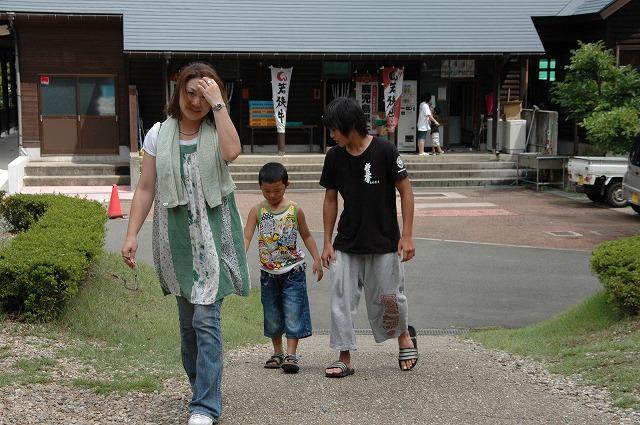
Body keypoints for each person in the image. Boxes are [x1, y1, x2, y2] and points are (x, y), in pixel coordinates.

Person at [121, 62, 250, 425]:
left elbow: (232, 152)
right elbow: (146, 188)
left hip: (213, 235)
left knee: (206, 320)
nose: (196, 102)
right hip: (175, 238)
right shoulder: (158, 134)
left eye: (204, 95)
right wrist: (131, 234)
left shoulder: (217, 127)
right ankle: (202, 390)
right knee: (188, 327)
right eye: (190, 93)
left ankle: (205, 406)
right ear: (178, 93)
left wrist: (218, 104)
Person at [319, 97, 418, 378]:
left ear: (350, 125)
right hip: (347, 241)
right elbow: (330, 199)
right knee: (341, 299)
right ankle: (344, 355)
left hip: (384, 240)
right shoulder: (334, 156)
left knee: (389, 298)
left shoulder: (385, 150)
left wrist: (407, 235)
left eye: (334, 129)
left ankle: (403, 337)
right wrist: (327, 242)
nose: (332, 134)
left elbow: (406, 191)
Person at [243, 162, 323, 374]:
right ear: (260, 187)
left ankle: (291, 355)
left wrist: (317, 259)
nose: (272, 195)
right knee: (272, 314)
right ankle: (277, 352)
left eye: (277, 190)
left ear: (287, 185)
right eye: (267, 191)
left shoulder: (295, 209)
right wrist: (241, 257)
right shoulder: (257, 211)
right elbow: (247, 235)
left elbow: (307, 235)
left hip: (293, 271)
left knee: (293, 311)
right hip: (268, 274)